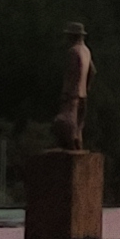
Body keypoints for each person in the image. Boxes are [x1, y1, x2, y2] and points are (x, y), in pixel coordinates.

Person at [51, 22, 94, 153]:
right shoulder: (86, 51)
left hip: (72, 94)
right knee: (78, 128)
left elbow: (71, 73)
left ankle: (69, 153)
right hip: (83, 94)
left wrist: (66, 92)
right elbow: (92, 71)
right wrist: (87, 87)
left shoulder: (73, 51)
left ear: (73, 36)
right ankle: (78, 149)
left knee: (67, 124)